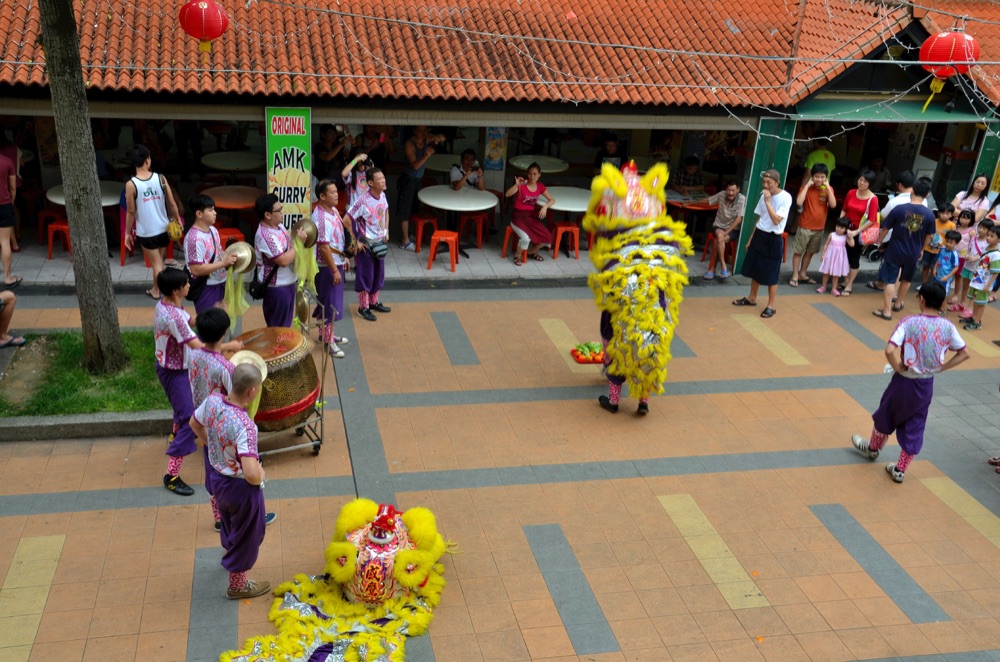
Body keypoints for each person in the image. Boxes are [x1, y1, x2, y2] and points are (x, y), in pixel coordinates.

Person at [850, 281, 969, 483]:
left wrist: (897, 367)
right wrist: (941, 368)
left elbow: (889, 350)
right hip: (926, 385)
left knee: (887, 413)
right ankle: (900, 469)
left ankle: (873, 448)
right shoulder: (948, 327)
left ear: (921, 299)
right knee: (916, 423)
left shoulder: (909, 322)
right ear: (942, 303)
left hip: (903, 381)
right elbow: (964, 353)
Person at [190, 363, 272, 600]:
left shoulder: (213, 401)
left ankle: (229, 552)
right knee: (248, 534)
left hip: (217, 479)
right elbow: (251, 473)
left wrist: (213, 446)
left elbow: (194, 424)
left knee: (229, 523)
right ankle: (238, 585)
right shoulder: (246, 426)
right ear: (252, 391)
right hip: (240, 488)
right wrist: (260, 473)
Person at [187, 307, 247, 532]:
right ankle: (239, 515)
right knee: (234, 471)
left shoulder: (194, 355)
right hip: (224, 426)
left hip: (204, 422)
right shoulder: (226, 368)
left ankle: (219, 516)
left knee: (212, 468)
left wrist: (228, 349)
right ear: (224, 332)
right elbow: (235, 398)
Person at [154, 268, 204, 496]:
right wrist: (227, 347)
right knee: (189, 421)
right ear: (176, 291)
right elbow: (197, 344)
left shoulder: (165, 305)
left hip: (178, 370)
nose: (189, 286)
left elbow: (189, 320)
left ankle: (175, 435)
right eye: (186, 284)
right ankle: (171, 476)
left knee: (182, 411)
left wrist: (209, 316)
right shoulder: (173, 317)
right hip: (175, 373)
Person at [732, 169, 793, 319]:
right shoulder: (763, 195)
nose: (765, 185)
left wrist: (768, 201)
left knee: (772, 272)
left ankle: (770, 306)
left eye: (769, 182)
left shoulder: (785, 197)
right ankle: (752, 298)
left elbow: (776, 220)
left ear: (777, 183)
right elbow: (760, 218)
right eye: (764, 182)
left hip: (773, 238)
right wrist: (751, 238)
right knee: (755, 268)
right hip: (760, 234)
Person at [872, 178, 935, 321]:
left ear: (912, 191)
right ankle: (898, 303)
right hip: (913, 252)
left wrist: (879, 242)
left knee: (890, 280)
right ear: (927, 195)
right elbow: (929, 236)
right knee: (906, 279)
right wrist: (922, 250)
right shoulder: (929, 214)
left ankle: (886, 311)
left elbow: (885, 229)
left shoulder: (899, 209)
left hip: (894, 250)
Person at [124, 144, 181, 300]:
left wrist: (127, 233)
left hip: (146, 233)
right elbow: (172, 203)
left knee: (157, 265)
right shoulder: (160, 178)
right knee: (159, 262)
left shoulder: (131, 184)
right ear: (147, 160)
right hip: (164, 229)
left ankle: (164, 292)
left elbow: (131, 211)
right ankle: (156, 289)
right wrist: (178, 220)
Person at [865, 171, 927, 293]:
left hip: (894, 239)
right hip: (913, 241)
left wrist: (879, 241)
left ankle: (884, 286)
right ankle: (895, 294)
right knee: (904, 271)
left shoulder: (894, 202)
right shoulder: (923, 202)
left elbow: (883, 217)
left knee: (890, 265)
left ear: (899, 185)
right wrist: (922, 248)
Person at [254, 194, 306, 328]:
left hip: (287, 284)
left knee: (285, 327)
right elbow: (283, 260)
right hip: (277, 288)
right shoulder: (265, 235)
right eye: (279, 210)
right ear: (267, 215)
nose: (282, 213)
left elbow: (289, 247)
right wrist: (299, 244)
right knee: (278, 329)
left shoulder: (279, 227)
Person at [345, 168, 391, 322]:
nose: (383, 181)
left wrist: (386, 230)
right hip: (366, 245)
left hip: (379, 243)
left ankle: (373, 302)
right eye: (379, 179)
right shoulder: (362, 201)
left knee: (378, 274)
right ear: (370, 183)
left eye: (383, 177)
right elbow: (346, 220)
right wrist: (355, 241)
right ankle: (363, 307)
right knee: (365, 276)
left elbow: (386, 211)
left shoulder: (382, 195)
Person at [313, 179, 351, 355]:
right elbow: (323, 247)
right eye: (332, 192)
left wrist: (344, 256)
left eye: (337, 191)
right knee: (329, 305)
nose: (337, 195)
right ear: (322, 196)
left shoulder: (334, 210)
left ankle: (327, 335)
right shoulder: (320, 219)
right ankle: (328, 341)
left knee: (330, 302)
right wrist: (334, 270)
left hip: (336, 261)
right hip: (327, 267)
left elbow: (339, 237)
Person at [184, 195, 237, 315]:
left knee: (221, 321)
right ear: (199, 214)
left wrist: (229, 259)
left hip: (220, 283)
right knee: (209, 323)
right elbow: (196, 270)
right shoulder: (193, 239)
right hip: (206, 288)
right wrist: (224, 263)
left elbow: (218, 253)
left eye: (214, 209)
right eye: (210, 210)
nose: (215, 213)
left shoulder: (213, 230)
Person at [397, 126, 446, 251]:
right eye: (420, 130)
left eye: (425, 130)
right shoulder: (409, 144)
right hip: (408, 180)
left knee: (413, 208)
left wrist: (437, 138)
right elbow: (415, 166)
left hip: (417, 180)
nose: (423, 133)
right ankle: (404, 241)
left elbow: (443, 137)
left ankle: (407, 235)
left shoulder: (426, 138)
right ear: (414, 130)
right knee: (405, 210)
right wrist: (426, 155)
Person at [791, 164, 837, 287]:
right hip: (805, 226)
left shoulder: (828, 189)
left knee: (810, 252)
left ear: (826, 178)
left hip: (819, 228)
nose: (819, 179)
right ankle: (795, 275)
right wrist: (807, 185)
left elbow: (833, 205)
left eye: (822, 177)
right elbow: (799, 202)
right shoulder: (806, 188)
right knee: (798, 252)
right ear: (812, 177)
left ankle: (802, 273)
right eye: (817, 176)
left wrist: (828, 188)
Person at [838, 169, 880, 296]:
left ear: (870, 184)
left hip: (858, 232)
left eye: (865, 181)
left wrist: (856, 231)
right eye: (860, 180)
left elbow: (872, 219)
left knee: (854, 257)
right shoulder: (851, 192)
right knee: (844, 255)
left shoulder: (873, 199)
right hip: (846, 229)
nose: (861, 183)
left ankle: (850, 284)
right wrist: (841, 225)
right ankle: (845, 280)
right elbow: (844, 209)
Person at [505, 162, 555, 266]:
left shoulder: (540, 186)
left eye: (535, 174)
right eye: (530, 174)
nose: (532, 176)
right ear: (527, 174)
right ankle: (518, 256)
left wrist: (545, 207)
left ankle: (531, 252)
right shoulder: (522, 184)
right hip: (517, 218)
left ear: (539, 175)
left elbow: (552, 199)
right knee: (525, 238)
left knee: (548, 237)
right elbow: (507, 194)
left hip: (530, 218)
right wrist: (516, 185)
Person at [702, 180, 746, 281]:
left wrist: (726, 231)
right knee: (719, 237)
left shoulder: (742, 199)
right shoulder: (721, 195)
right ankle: (723, 266)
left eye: (733, 190)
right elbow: (708, 200)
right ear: (726, 189)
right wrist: (690, 202)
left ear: (738, 190)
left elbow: (739, 219)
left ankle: (712, 269)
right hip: (719, 226)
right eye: (729, 190)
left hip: (733, 229)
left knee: (718, 240)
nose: (730, 193)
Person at [959, 225, 1000, 331]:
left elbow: (996, 272)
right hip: (977, 280)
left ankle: (977, 322)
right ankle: (973, 318)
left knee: (981, 303)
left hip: (984, 283)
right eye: (988, 235)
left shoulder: (996, 254)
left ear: (998, 239)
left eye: (992, 236)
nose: (988, 238)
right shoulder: (987, 248)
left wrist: (988, 285)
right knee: (976, 300)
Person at [956, 219, 994, 318]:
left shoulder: (987, 243)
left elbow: (984, 255)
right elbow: (969, 249)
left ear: (989, 231)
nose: (980, 229)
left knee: (973, 289)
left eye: (984, 228)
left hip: (977, 270)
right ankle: (962, 304)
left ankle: (970, 308)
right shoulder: (974, 238)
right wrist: (967, 255)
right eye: (980, 227)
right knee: (965, 287)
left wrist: (975, 258)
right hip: (967, 266)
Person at [949, 209, 978, 311]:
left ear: (971, 220)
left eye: (966, 218)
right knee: (950, 273)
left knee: (958, 276)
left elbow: (973, 245)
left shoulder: (972, 231)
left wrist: (969, 254)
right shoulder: (956, 228)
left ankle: (956, 295)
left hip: (962, 257)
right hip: (952, 253)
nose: (963, 220)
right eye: (962, 217)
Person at [920, 204, 956, 285]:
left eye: (947, 214)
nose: (944, 215)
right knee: (925, 267)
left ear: (951, 215)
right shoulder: (933, 222)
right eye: (942, 213)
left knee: (935, 268)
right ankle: (924, 284)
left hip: (940, 251)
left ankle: (933, 285)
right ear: (939, 213)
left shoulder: (952, 226)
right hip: (928, 248)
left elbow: (952, 237)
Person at [816, 218, 852, 295]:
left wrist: (850, 235)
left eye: (841, 228)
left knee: (836, 274)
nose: (839, 229)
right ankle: (823, 286)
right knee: (826, 272)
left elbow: (852, 244)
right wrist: (823, 254)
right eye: (837, 226)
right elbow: (826, 245)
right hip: (830, 256)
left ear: (846, 229)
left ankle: (834, 289)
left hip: (839, 258)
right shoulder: (831, 235)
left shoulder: (845, 237)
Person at [0, 147, 17, 289]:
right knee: (5, 241)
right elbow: (12, 187)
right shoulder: (7, 161)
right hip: (4, 205)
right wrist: (11, 202)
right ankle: (7, 277)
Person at [933, 230, 961, 299]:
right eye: (947, 241)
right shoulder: (942, 249)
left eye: (951, 242)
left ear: (956, 243)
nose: (948, 244)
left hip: (946, 279)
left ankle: (942, 306)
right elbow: (938, 259)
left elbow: (956, 267)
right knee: (935, 292)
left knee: (944, 294)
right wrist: (934, 269)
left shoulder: (954, 254)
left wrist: (948, 276)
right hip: (937, 276)